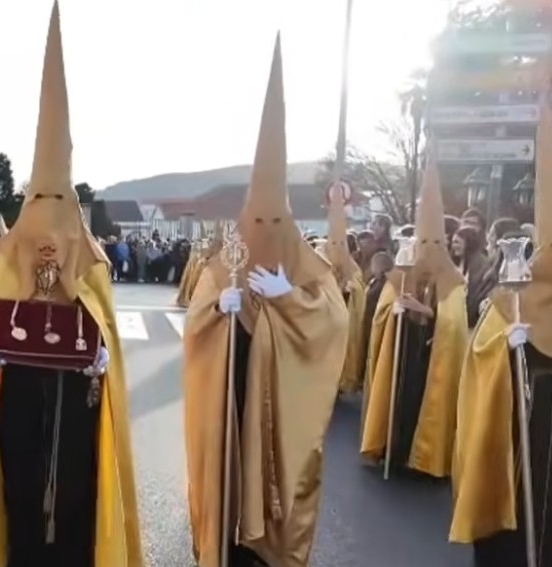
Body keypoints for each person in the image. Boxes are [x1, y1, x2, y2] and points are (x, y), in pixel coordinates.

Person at [0, 5, 143, 566]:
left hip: (77, 398)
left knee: (75, 488)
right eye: (39, 200)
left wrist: (101, 357)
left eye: (59, 200)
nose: (48, 217)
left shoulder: (92, 261)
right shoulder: (7, 257)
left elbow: (104, 327)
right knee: (19, 481)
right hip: (17, 394)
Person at [182, 37, 347, 567]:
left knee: (277, 479)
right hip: (231, 399)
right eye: (258, 221)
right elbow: (195, 326)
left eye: (276, 221)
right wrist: (218, 311)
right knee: (229, 472)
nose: (266, 230)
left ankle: (270, 545)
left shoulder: (308, 267)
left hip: (280, 410)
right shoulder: (224, 264)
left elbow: (334, 323)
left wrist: (289, 299)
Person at [451, 102, 552, 567]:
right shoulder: (510, 296)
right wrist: (507, 344)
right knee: (522, 505)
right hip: (525, 423)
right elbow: (480, 358)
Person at [360, 156, 467, 479]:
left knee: (425, 404)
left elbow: (454, 326)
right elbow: (381, 313)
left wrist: (425, 312)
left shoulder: (453, 280)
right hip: (403, 353)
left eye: (436, 242)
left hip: (430, 357)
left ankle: (425, 458)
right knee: (398, 401)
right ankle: (392, 449)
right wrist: (392, 314)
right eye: (424, 242)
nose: (429, 249)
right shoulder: (402, 273)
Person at [320, 184, 368, 395]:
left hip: (344, 316)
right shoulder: (320, 263)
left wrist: (351, 290)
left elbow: (359, 286)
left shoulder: (352, 266)